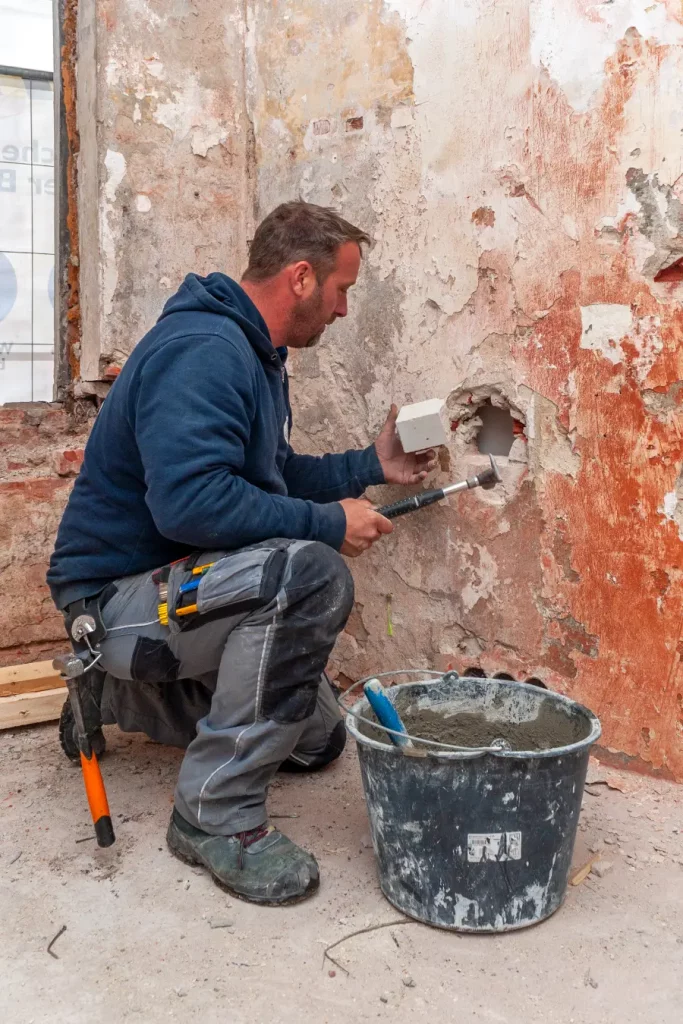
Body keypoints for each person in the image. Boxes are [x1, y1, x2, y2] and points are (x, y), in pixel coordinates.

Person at [48, 201, 435, 905]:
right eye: (342, 289)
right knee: (310, 575)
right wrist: (326, 524)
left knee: (316, 741)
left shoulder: (255, 356)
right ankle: (214, 816)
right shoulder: (204, 350)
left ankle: (121, 699)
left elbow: (267, 479)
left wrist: (368, 467)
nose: (344, 310)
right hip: (112, 602)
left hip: (175, 591)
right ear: (300, 278)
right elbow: (191, 505)